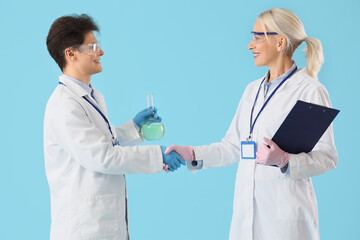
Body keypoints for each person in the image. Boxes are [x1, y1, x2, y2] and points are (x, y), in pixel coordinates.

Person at [166, 8, 337, 240]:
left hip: (286, 223)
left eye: (257, 37)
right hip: (246, 218)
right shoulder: (252, 90)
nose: (249, 45)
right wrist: (191, 152)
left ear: (280, 43)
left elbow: (327, 158)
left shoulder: (310, 91)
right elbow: (232, 147)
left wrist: (285, 160)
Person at [44, 14, 185, 240]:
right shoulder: (64, 106)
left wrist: (134, 128)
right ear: (70, 54)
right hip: (83, 229)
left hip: (103, 224)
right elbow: (103, 157)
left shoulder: (89, 96)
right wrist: (158, 156)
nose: (100, 52)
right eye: (92, 47)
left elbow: (100, 142)